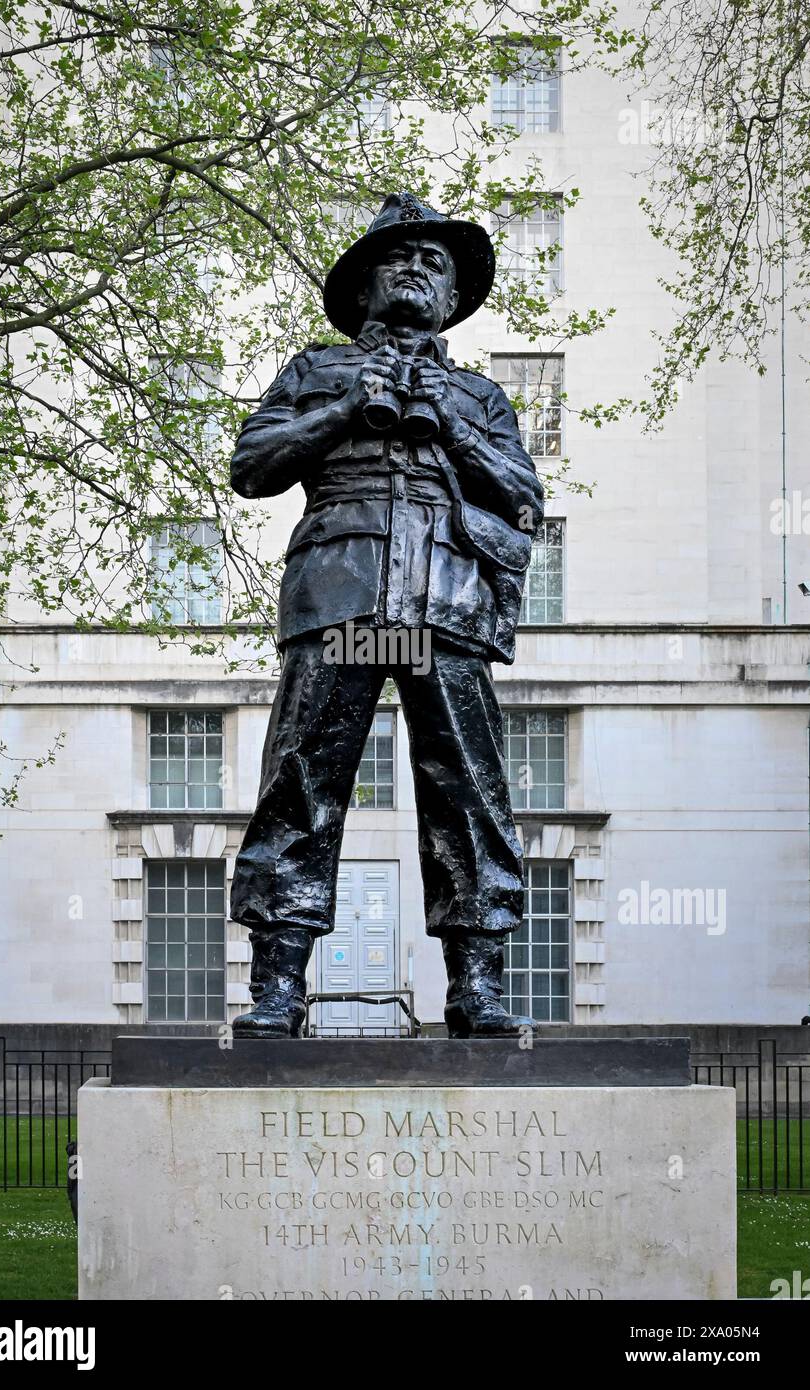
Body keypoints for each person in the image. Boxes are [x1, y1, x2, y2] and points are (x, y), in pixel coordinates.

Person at [228, 191, 545, 1039]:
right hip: (343, 592)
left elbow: (524, 498)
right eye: (397, 258)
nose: (415, 269)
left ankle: (476, 985)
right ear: (364, 286)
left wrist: (452, 430)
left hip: (448, 602)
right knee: (303, 781)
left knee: (468, 792)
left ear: (450, 298)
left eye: (433, 262)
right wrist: (341, 411)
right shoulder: (314, 369)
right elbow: (250, 466)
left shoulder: (479, 395)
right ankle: (278, 986)